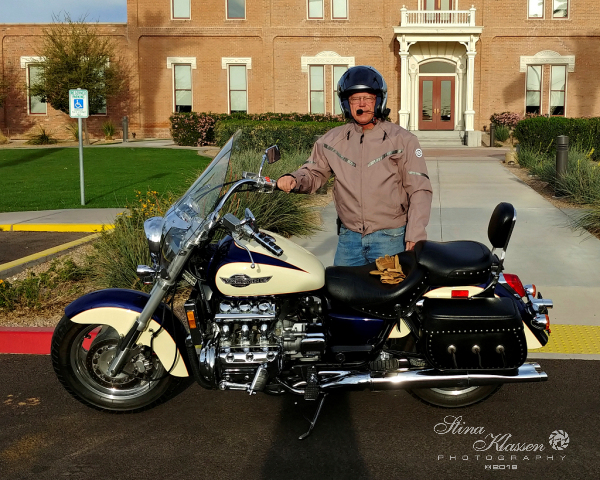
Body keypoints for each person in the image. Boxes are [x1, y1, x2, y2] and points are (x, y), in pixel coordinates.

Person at [277, 65, 433, 267]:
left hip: (390, 237)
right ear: (346, 104)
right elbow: (313, 172)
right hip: (349, 239)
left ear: (378, 100)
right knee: (341, 286)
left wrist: (415, 233)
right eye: (355, 99)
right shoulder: (332, 141)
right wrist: (294, 179)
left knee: (388, 288)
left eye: (368, 98)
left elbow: (420, 189)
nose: (362, 104)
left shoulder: (402, 140)